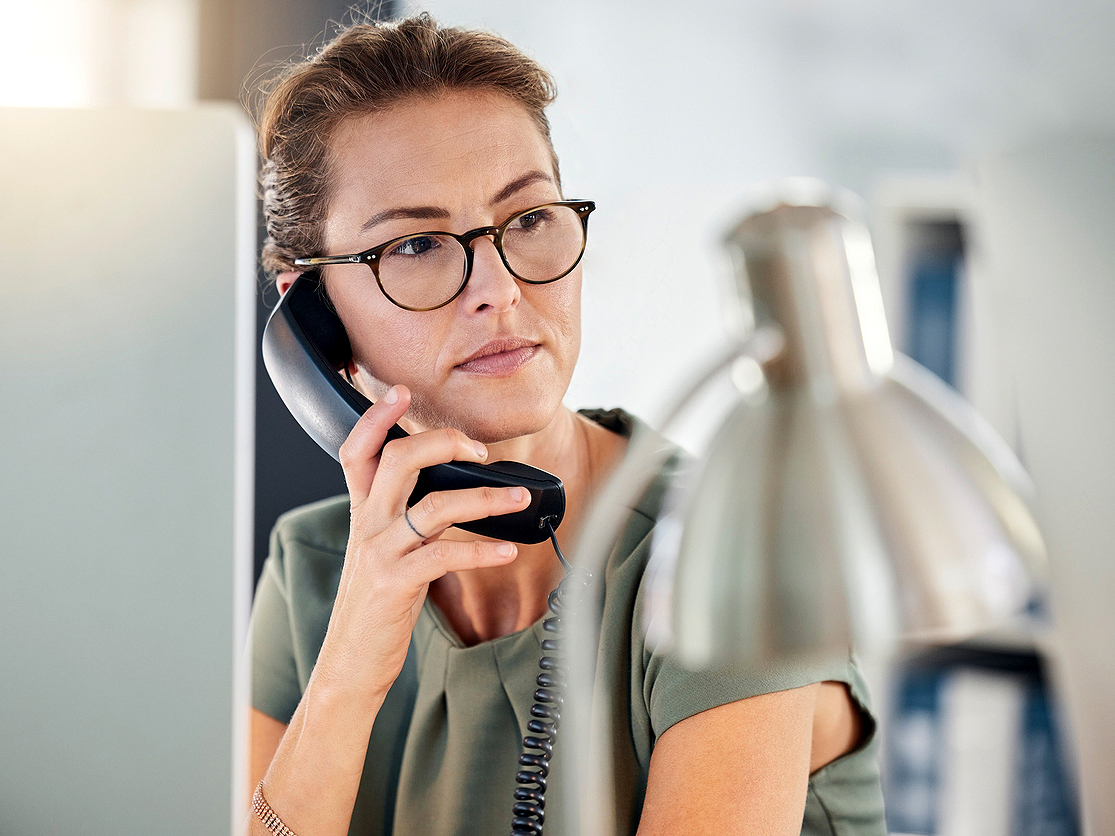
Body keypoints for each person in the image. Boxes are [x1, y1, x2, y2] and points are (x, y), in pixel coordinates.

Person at [247, 13, 886, 836]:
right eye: (415, 245)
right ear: (311, 316)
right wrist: (346, 674)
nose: (498, 288)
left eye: (527, 220)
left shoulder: (733, 553)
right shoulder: (315, 568)